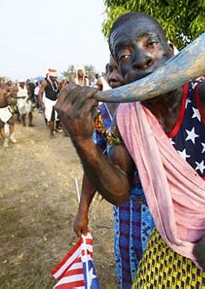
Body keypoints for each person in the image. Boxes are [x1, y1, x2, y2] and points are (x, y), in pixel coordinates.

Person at [57, 0, 205, 287]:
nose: (142, 58)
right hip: (167, 242)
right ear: (121, 71)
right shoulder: (129, 117)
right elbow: (119, 193)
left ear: (170, 50)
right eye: (126, 55)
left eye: (150, 43)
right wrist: (83, 141)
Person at [73, 55, 155, 288]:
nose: (112, 76)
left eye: (119, 68)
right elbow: (93, 163)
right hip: (124, 212)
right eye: (109, 69)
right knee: (129, 271)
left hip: (160, 214)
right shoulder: (103, 113)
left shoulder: (157, 106)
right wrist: (83, 210)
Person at [39, 69, 61, 137]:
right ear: (50, 76)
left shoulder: (56, 82)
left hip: (56, 101)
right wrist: (42, 104)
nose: (54, 78)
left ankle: (54, 129)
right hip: (48, 101)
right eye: (53, 77)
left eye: (56, 77)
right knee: (51, 118)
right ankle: (51, 133)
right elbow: (40, 93)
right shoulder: (45, 82)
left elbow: (58, 91)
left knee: (55, 117)